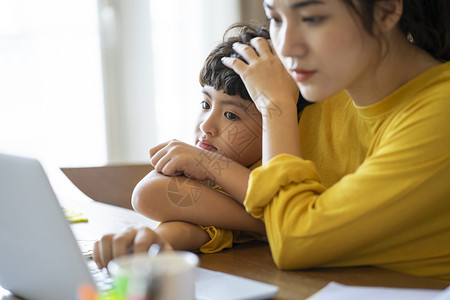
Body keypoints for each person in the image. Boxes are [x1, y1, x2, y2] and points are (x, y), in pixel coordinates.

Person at [96, 0, 450, 282]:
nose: (287, 45)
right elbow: (262, 212)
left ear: (388, 9)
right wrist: (158, 243)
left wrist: (274, 106)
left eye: (311, 17)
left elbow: (293, 239)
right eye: (276, 18)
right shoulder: (325, 98)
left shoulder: (438, 112)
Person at [93, 23, 297, 269]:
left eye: (231, 116)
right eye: (205, 105)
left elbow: (149, 195)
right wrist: (153, 242)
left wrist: (213, 164)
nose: (207, 125)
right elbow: (191, 226)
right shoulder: (213, 179)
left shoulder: (279, 166)